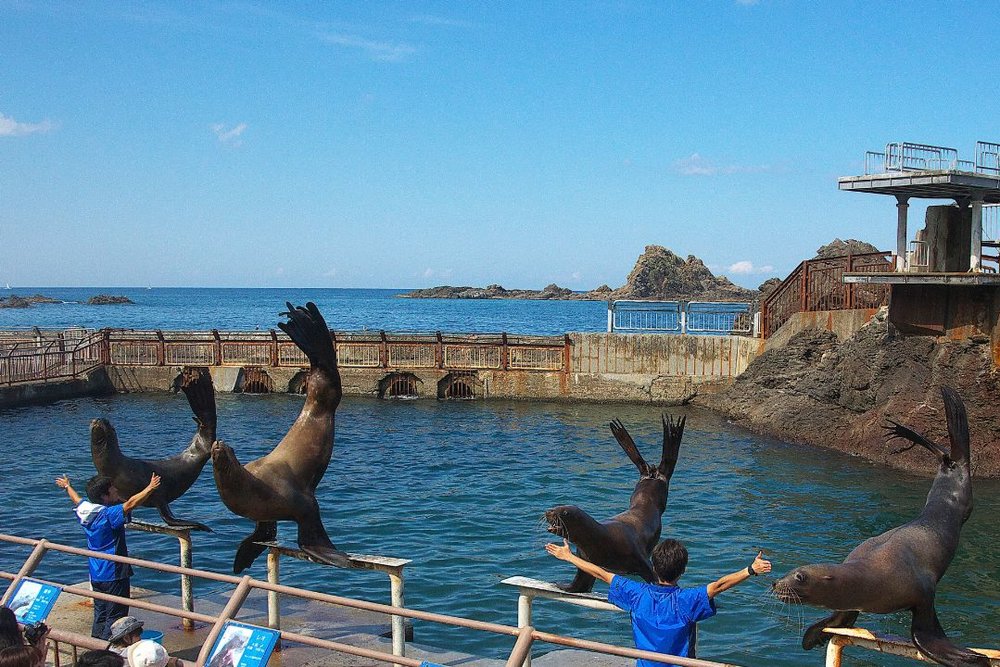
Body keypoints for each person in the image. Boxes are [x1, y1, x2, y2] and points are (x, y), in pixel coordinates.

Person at [545, 538, 771, 667]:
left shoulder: (637, 594)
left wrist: (569, 556)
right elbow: (719, 585)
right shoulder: (686, 600)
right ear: (682, 571)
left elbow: (601, 573)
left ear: (653, 567)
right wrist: (750, 569)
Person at [55, 473, 161, 640]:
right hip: (114, 572)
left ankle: (94, 646)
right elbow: (130, 504)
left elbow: (76, 499)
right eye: (112, 489)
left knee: (101, 614)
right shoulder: (107, 515)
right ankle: (107, 650)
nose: (116, 490)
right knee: (115, 617)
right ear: (105, 496)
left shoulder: (86, 511)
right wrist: (150, 488)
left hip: (96, 573)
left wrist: (68, 486)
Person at [107, 617, 183, 667]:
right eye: (137, 635)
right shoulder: (132, 655)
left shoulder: (110, 652)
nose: (140, 638)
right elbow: (178, 663)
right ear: (126, 638)